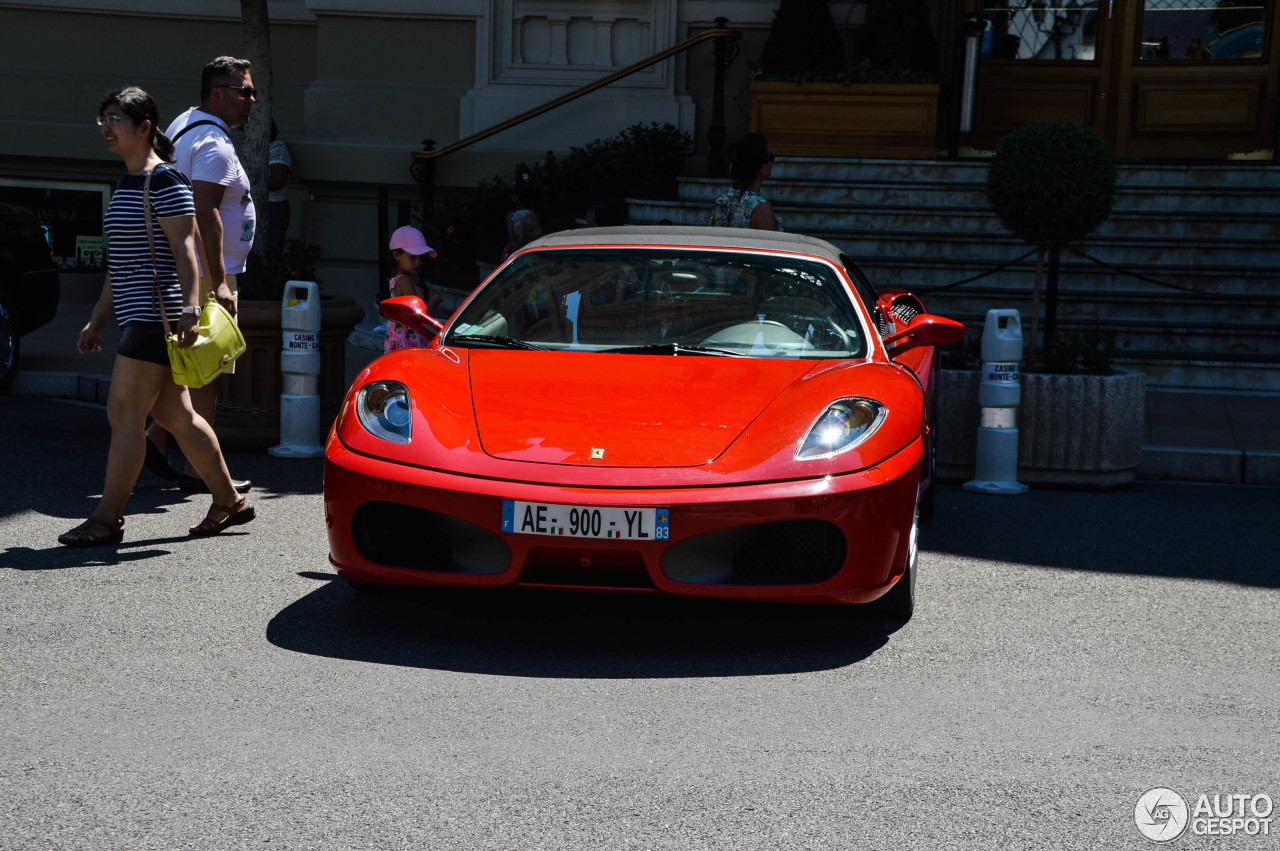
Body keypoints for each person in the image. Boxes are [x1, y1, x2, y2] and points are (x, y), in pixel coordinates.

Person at [59, 86, 254, 547]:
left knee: (125, 412)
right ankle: (228, 501)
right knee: (175, 414)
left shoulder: (164, 181)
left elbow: (186, 252)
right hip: (138, 315)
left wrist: (190, 310)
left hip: (159, 316)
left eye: (114, 119)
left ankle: (106, 519)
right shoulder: (128, 183)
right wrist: (98, 318)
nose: (106, 127)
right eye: (102, 118)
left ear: (144, 127)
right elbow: (123, 261)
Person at [145, 56, 256, 494]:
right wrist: (222, 281)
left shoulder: (185, 123)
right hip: (210, 275)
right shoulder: (213, 143)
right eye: (243, 91)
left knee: (187, 364)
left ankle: (157, 441)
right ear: (217, 93)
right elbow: (205, 212)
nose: (251, 100)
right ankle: (198, 472)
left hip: (185, 267)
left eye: (251, 91)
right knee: (207, 369)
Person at [707, 133, 781, 231]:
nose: (772, 162)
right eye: (771, 156)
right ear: (762, 168)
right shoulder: (761, 209)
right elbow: (771, 245)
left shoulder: (721, 202)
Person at [383, 225, 440, 353]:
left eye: (421, 257)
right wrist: (433, 302)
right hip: (406, 346)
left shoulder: (399, 280)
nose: (418, 262)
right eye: (413, 257)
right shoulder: (405, 281)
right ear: (397, 255)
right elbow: (419, 319)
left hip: (401, 344)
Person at [267, 120, 292, 249]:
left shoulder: (276, 147)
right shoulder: (250, 148)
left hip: (273, 207)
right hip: (249, 208)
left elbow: (277, 181)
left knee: (270, 249)